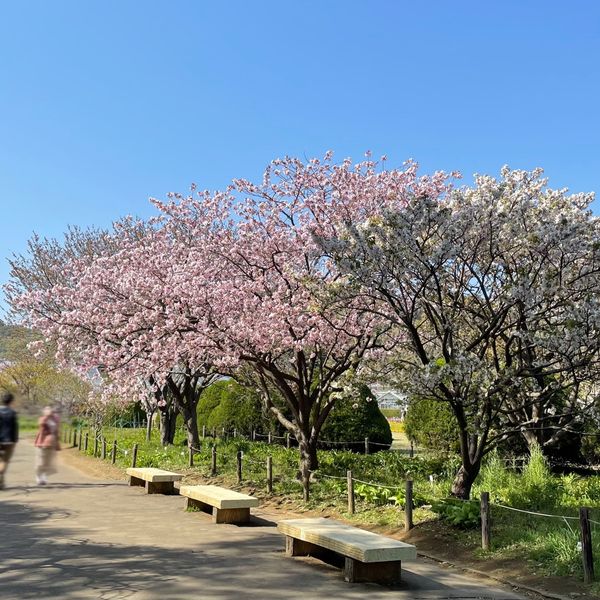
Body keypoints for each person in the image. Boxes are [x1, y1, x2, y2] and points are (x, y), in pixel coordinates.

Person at [34, 406, 60, 485]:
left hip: (51, 443)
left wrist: (57, 443)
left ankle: (44, 476)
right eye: (47, 410)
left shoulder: (54, 420)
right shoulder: (43, 419)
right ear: (44, 411)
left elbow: (56, 431)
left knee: (48, 461)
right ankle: (38, 476)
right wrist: (46, 416)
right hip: (42, 443)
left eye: (50, 410)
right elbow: (41, 423)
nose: (49, 411)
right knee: (40, 461)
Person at [0, 391, 18, 490]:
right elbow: (15, 428)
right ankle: (1, 479)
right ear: (11, 401)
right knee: (5, 461)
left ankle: (1, 481)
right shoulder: (12, 413)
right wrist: (15, 440)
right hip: (9, 441)